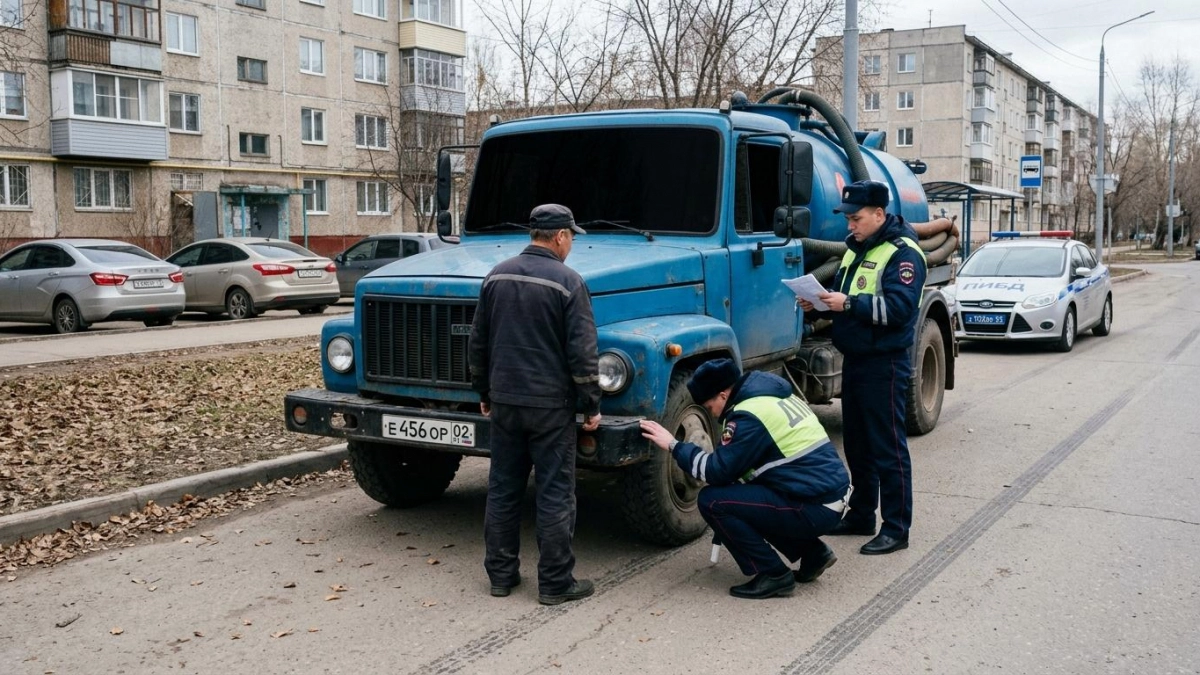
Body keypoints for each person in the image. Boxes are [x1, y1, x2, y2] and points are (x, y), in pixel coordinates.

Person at [468, 203, 602, 605]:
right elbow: (582, 353)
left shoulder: (497, 275)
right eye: (571, 237)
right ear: (560, 236)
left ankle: (501, 576)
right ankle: (555, 583)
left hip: (506, 402)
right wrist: (591, 404)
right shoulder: (568, 282)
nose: (572, 244)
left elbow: (479, 343)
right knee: (555, 493)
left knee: (504, 489)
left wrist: (484, 394)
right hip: (549, 406)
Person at [639, 359, 851, 600]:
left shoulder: (749, 415)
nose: (712, 413)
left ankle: (772, 575)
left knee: (713, 501)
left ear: (722, 395)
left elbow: (715, 471)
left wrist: (674, 445)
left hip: (815, 507)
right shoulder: (770, 396)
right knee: (746, 497)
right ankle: (813, 554)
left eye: (709, 407)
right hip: (827, 498)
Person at [798, 180, 927, 555]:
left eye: (855, 218)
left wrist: (848, 305)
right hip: (855, 359)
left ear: (878, 214)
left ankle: (897, 529)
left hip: (884, 364)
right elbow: (849, 296)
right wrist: (820, 304)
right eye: (848, 218)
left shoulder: (904, 255)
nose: (849, 225)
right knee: (856, 443)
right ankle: (861, 514)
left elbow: (899, 310)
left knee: (887, 447)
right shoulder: (858, 248)